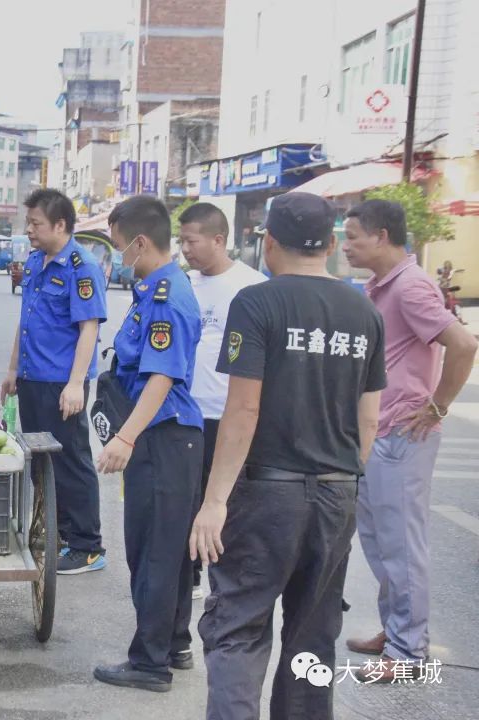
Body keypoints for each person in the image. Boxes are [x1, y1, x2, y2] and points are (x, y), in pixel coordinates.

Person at [189, 192, 386, 719]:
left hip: (266, 495)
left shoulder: (257, 302)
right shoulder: (364, 311)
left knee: (238, 629)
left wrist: (214, 502)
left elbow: (243, 411)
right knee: (312, 638)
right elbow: (369, 420)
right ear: (331, 244)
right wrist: (343, 479)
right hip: (336, 491)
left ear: (268, 241)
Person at [341, 200, 478, 679]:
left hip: (403, 433)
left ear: (381, 236)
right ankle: (396, 631)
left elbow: (463, 344)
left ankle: (407, 653)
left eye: (354, 234)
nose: (346, 244)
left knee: (401, 544)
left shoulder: (412, 287)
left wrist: (438, 406)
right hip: (379, 432)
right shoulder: (382, 286)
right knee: (380, 543)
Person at [91, 196, 203, 693]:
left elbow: (161, 376)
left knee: (153, 552)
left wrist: (124, 437)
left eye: (117, 247)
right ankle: (173, 643)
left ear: (140, 241)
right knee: (168, 551)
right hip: (166, 437)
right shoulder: (153, 289)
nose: (115, 257)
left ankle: (149, 663)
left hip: (161, 437)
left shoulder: (165, 297)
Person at [0, 188, 108, 575]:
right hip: (32, 379)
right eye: (28, 223)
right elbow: (25, 322)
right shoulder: (33, 263)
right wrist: (13, 370)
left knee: (72, 461)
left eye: (36, 224)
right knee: (41, 462)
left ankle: (87, 546)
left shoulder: (81, 266)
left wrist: (77, 383)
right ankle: (58, 533)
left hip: (62, 384)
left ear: (60, 225)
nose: (29, 230)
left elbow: (89, 328)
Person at [179, 202, 267, 600]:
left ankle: (223, 579)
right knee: (187, 501)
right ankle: (190, 574)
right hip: (184, 413)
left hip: (226, 416)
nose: (185, 249)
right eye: (181, 241)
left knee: (225, 502)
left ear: (218, 239)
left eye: (191, 241)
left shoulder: (251, 287)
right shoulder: (183, 284)